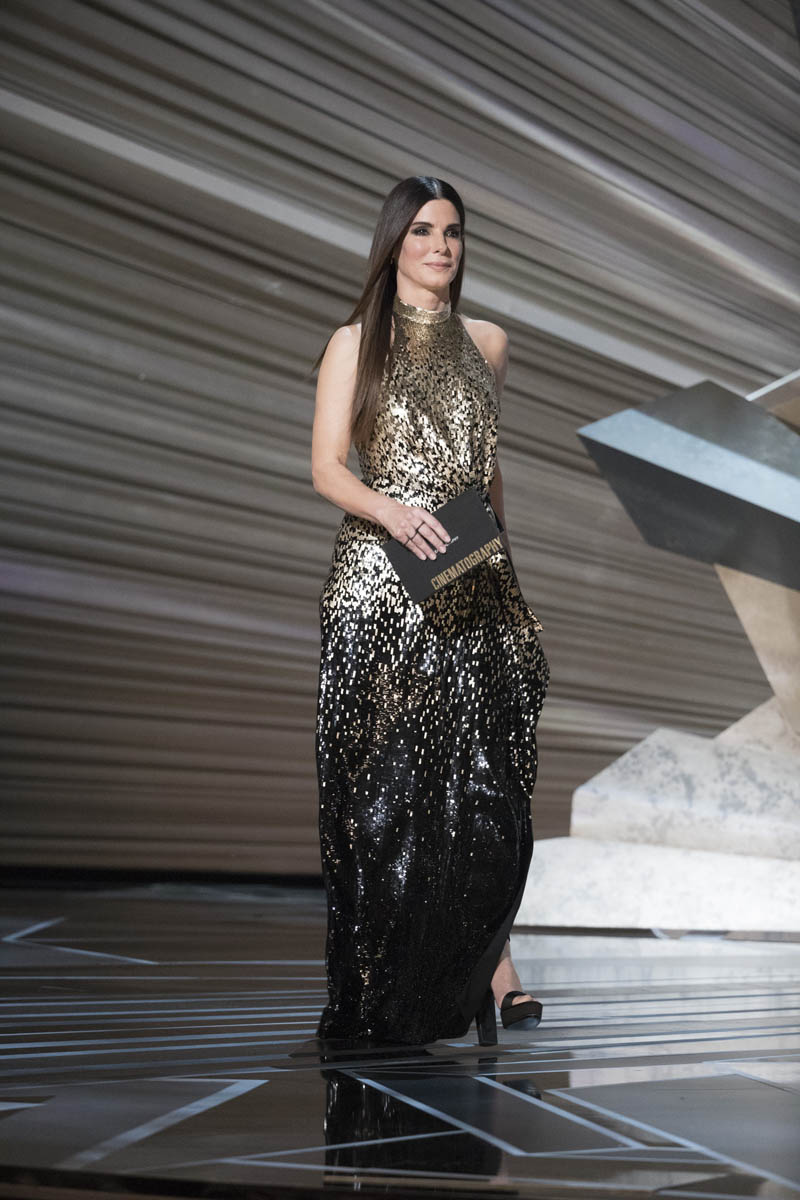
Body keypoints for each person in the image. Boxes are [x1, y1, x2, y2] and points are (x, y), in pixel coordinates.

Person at [310, 175, 550, 1047]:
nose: (440, 246)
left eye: (451, 231)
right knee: (389, 797)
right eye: (421, 231)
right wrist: (391, 510)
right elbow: (326, 467)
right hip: (380, 586)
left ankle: (486, 967)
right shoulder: (356, 342)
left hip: (470, 579)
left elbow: (488, 472)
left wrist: (508, 577)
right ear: (393, 243)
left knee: (487, 790)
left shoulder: (488, 342)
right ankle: (394, 992)